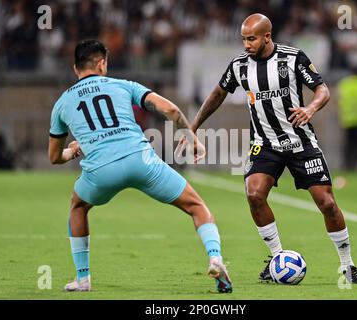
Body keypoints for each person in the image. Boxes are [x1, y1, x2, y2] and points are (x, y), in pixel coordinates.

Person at [183, 14, 357, 284]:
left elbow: (323, 90)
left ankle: (347, 265)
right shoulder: (239, 66)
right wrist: (193, 126)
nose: (246, 44)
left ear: (267, 37)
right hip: (264, 143)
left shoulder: (293, 58)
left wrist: (310, 108)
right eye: (244, 39)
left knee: (327, 203)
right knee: (254, 194)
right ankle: (277, 258)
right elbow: (218, 94)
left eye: (252, 39)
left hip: (300, 141)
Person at [48, 40, 232, 293]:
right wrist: (192, 140)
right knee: (196, 206)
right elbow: (171, 110)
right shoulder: (124, 85)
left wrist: (73, 150)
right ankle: (215, 258)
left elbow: (55, 157)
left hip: (101, 171)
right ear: (102, 64)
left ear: (74, 67)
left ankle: (82, 279)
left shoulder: (62, 102)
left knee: (78, 206)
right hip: (141, 160)